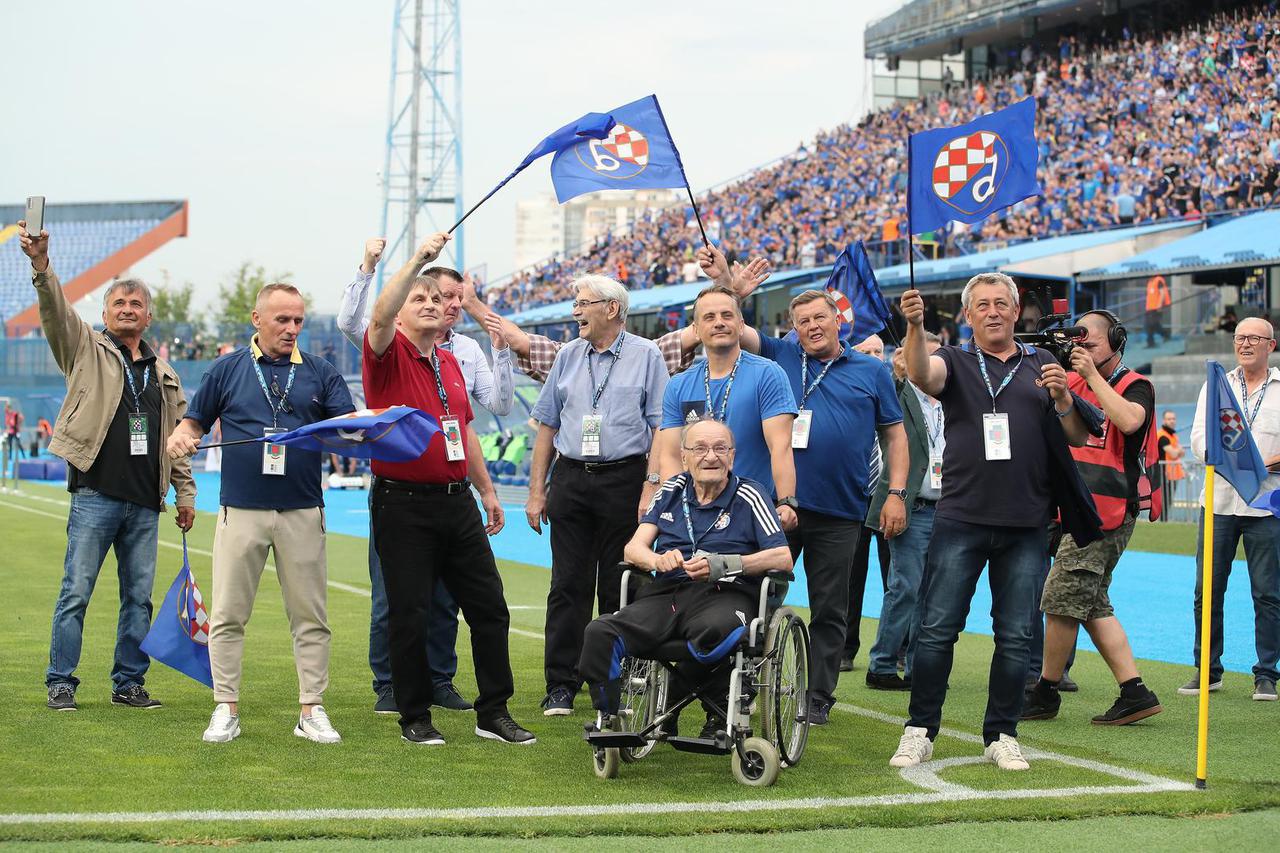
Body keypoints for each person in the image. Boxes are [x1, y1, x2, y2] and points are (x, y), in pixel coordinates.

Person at [890, 273, 1099, 772]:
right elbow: (921, 375)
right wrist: (915, 326)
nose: (993, 311)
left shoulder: (1042, 362)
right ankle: (920, 729)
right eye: (982, 304)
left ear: (1015, 311)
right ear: (969, 315)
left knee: (1015, 636)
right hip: (961, 515)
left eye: (1001, 303)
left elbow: (1074, 436)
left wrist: (1066, 399)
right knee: (938, 630)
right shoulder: (957, 361)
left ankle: (1002, 733)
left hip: (1026, 520)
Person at [362, 232, 535, 745]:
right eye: (421, 299)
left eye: (439, 299)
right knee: (410, 612)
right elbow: (376, 317)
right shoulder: (385, 355)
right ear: (399, 314)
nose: (434, 305)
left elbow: (464, 431)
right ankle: (414, 715)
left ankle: (493, 711)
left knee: (490, 607)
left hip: (456, 502)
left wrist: (486, 491)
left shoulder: (452, 362)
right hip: (402, 502)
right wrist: (418, 261)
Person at [166, 281, 355, 744]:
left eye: (298, 321)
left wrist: (363, 426)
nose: (292, 329)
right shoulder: (226, 369)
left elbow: (345, 430)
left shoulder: (321, 372)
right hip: (240, 511)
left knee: (310, 616)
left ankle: (311, 709)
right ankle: (225, 707)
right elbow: (194, 422)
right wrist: (181, 435)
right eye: (282, 320)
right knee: (229, 614)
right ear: (257, 319)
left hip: (303, 510)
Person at [20, 221, 196, 713]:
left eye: (134, 304)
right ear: (103, 313)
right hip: (95, 494)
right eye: (118, 303)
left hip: (146, 502)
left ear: (148, 315)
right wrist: (41, 266)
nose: (126, 309)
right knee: (76, 592)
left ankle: (129, 684)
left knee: (138, 601)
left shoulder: (166, 374)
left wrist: (184, 495)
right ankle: (61, 682)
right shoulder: (84, 349)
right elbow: (55, 311)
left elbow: (177, 442)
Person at [733, 292, 907, 725]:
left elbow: (895, 437)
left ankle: (817, 696)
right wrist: (732, 289)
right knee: (756, 597)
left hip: (841, 511)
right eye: (802, 320)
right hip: (775, 507)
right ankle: (747, 681)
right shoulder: (780, 355)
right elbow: (734, 327)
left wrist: (896, 492)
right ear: (793, 327)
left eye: (819, 317)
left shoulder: (872, 370)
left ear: (837, 321)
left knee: (831, 608)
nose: (812, 326)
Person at [578, 419, 791, 734]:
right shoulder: (671, 490)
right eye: (700, 449)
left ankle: (690, 703)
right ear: (685, 456)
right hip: (668, 593)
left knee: (715, 633)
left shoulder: (750, 494)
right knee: (601, 631)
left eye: (720, 448)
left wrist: (726, 564)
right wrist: (657, 559)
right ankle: (608, 717)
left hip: (726, 592)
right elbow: (633, 549)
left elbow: (782, 557)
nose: (711, 457)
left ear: (732, 456)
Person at [526, 275, 669, 716]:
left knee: (620, 581)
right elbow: (547, 425)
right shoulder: (568, 355)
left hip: (626, 480)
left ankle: (615, 678)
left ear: (611, 309)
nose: (575, 311)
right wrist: (537, 491)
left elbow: (662, 427)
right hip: (570, 478)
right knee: (567, 584)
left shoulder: (647, 356)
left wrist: (652, 484)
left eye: (582, 303)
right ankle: (561, 685)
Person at [1023, 310, 1164, 724]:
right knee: (1092, 603)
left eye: (1090, 342)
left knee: (1062, 598)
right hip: (1080, 510)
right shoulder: (1074, 380)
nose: (1081, 348)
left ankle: (1045, 692)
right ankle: (1135, 691)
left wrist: (1091, 377)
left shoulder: (1136, 385)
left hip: (1107, 510)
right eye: (1076, 342)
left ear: (1116, 341)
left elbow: (1128, 420)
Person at [1185, 318, 1280, 702]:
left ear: (1270, 346)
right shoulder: (1216, 386)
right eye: (1240, 337)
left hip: (1265, 507)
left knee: (1268, 594)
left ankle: (1267, 674)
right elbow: (1198, 439)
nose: (1245, 343)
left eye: (1254, 338)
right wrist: (1229, 461)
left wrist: (1258, 463)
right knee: (1206, 590)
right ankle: (1207, 669)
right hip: (1219, 502)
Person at [656, 285, 798, 514]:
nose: (719, 322)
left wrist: (786, 502)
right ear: (696, 329)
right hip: (695, 509)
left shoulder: (768, 373)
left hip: (753, 507)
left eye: (727, 315)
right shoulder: (678, 384)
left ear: (741, 325)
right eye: (709, 317)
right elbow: (671, 455)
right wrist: (674, 508)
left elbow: (780, 447)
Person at [865, 333, 944, 691]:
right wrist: (897, 372)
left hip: (948, 508)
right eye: (922, 358)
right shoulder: (899, 393)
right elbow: (888, 393)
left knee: (932, 592)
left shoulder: (950, 400)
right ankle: (882, 664)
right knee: (905, 587)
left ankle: (917, 668)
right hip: (910, 507)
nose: (930, 367)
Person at [843, 333, 895, 671]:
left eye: (879, 350)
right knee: (850, 577)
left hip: (890, 495)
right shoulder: (847, 389)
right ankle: (846, 649)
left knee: (897, 578)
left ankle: (897, 648)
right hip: (856, 497)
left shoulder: (896, 389)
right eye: (867, 351)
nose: (875, 356)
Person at [1157, 410, 1185, 520]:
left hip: (1172, 474)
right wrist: (1178, 450)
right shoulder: (1163, 436)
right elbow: (1174, 454)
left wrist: (1178, 450)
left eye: (1173, 418)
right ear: (1164, 420)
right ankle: (1163, 521)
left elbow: (1181, 453)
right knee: (1164, 500)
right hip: (1164, 473)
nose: (1172, 421)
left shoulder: (1172, 435)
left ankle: (1164, 520)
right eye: (1169, 419)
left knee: (1168, 500)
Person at [1144, 274, 1170, 348]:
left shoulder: (1158, 280)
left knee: (1152, 324)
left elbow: (1162, 293)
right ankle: (1165, 335)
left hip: (1156, 307)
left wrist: (1159, 305)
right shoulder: (1150, 281)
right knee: (1152, 325)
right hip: (1149, 308)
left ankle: (1151, 342)